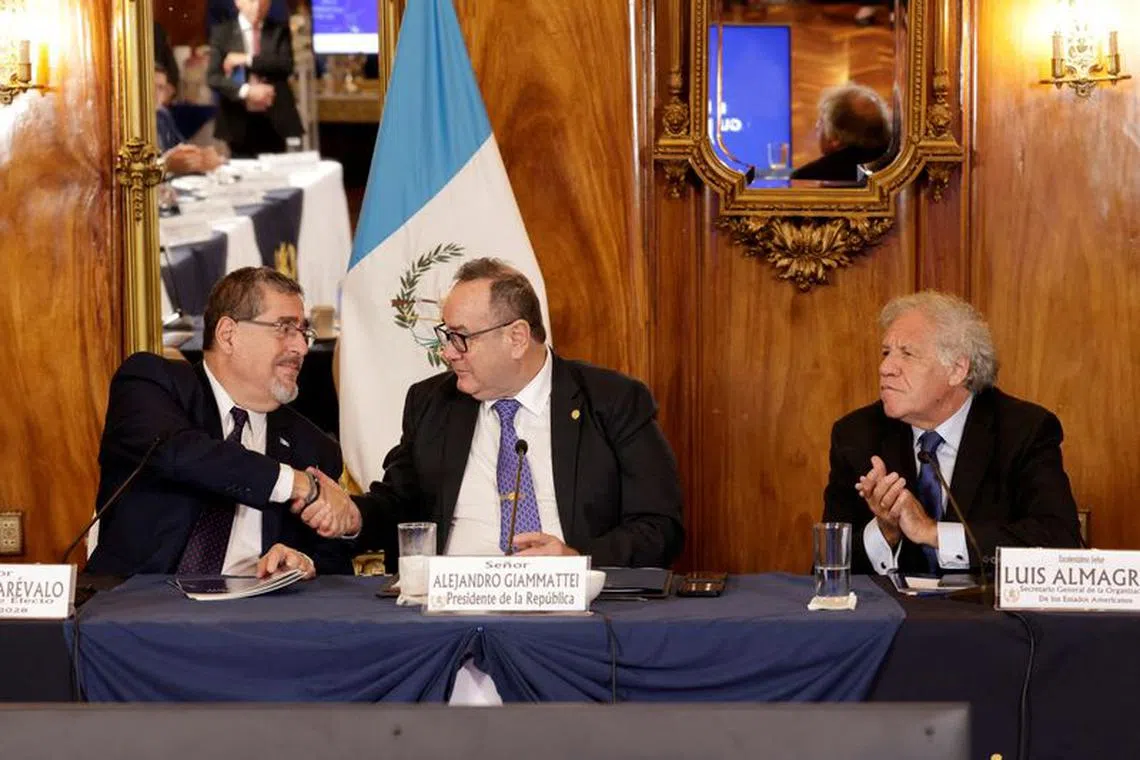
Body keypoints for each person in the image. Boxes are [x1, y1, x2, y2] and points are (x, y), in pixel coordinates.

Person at [352, 258, 684, 568]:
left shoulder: (611, 401)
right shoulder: (431, 402)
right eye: (446, 335)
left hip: (571, 609)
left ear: (517, 337)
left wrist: (576, 559)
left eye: (460, 338)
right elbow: (397, 504)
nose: (447, 352)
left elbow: (659, 526)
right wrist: (352, 514)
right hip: (449, 609)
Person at [87, 267, 361, 578]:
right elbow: (180, 453)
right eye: (284, 328)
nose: (301, 347)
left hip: (251, 620)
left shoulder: (314, 448)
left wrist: (303, 564)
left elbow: (334, 571)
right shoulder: (152, 383)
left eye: (303, 332)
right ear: (228, 334)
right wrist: (293, 483)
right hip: (136, 609)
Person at [822, 292, 1082, 576]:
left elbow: (1059, 543)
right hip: (894, 617)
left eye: (907, 354)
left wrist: (932, 532)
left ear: (957, 369)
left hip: (988, 617)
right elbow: (830, 566)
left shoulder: (1023, 430)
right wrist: (885, 531)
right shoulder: (857, 435)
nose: (885, 368)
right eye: (886, 353)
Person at [206, 0, 303, 158]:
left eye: (263, 1)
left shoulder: (278, 30)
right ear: (238, 2)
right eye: (251, 1)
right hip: (238, 121)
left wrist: (247, 59)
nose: (258, 7)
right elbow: (213, 78)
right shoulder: (222, 33)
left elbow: (285, 65)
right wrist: (247, 91)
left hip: (274, 121)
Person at [790, 83, 892, 183]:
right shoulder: (894, 168)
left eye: (821, 121)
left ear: (836, 138)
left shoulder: (808, 176)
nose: (817, 126)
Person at [155, 64, 224, 175]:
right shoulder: (127, 123)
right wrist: (164, 165)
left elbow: (183, 148)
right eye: (151, 87)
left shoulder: (163, 115)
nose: (156, 93)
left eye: (161, 88)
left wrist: (201, 157)